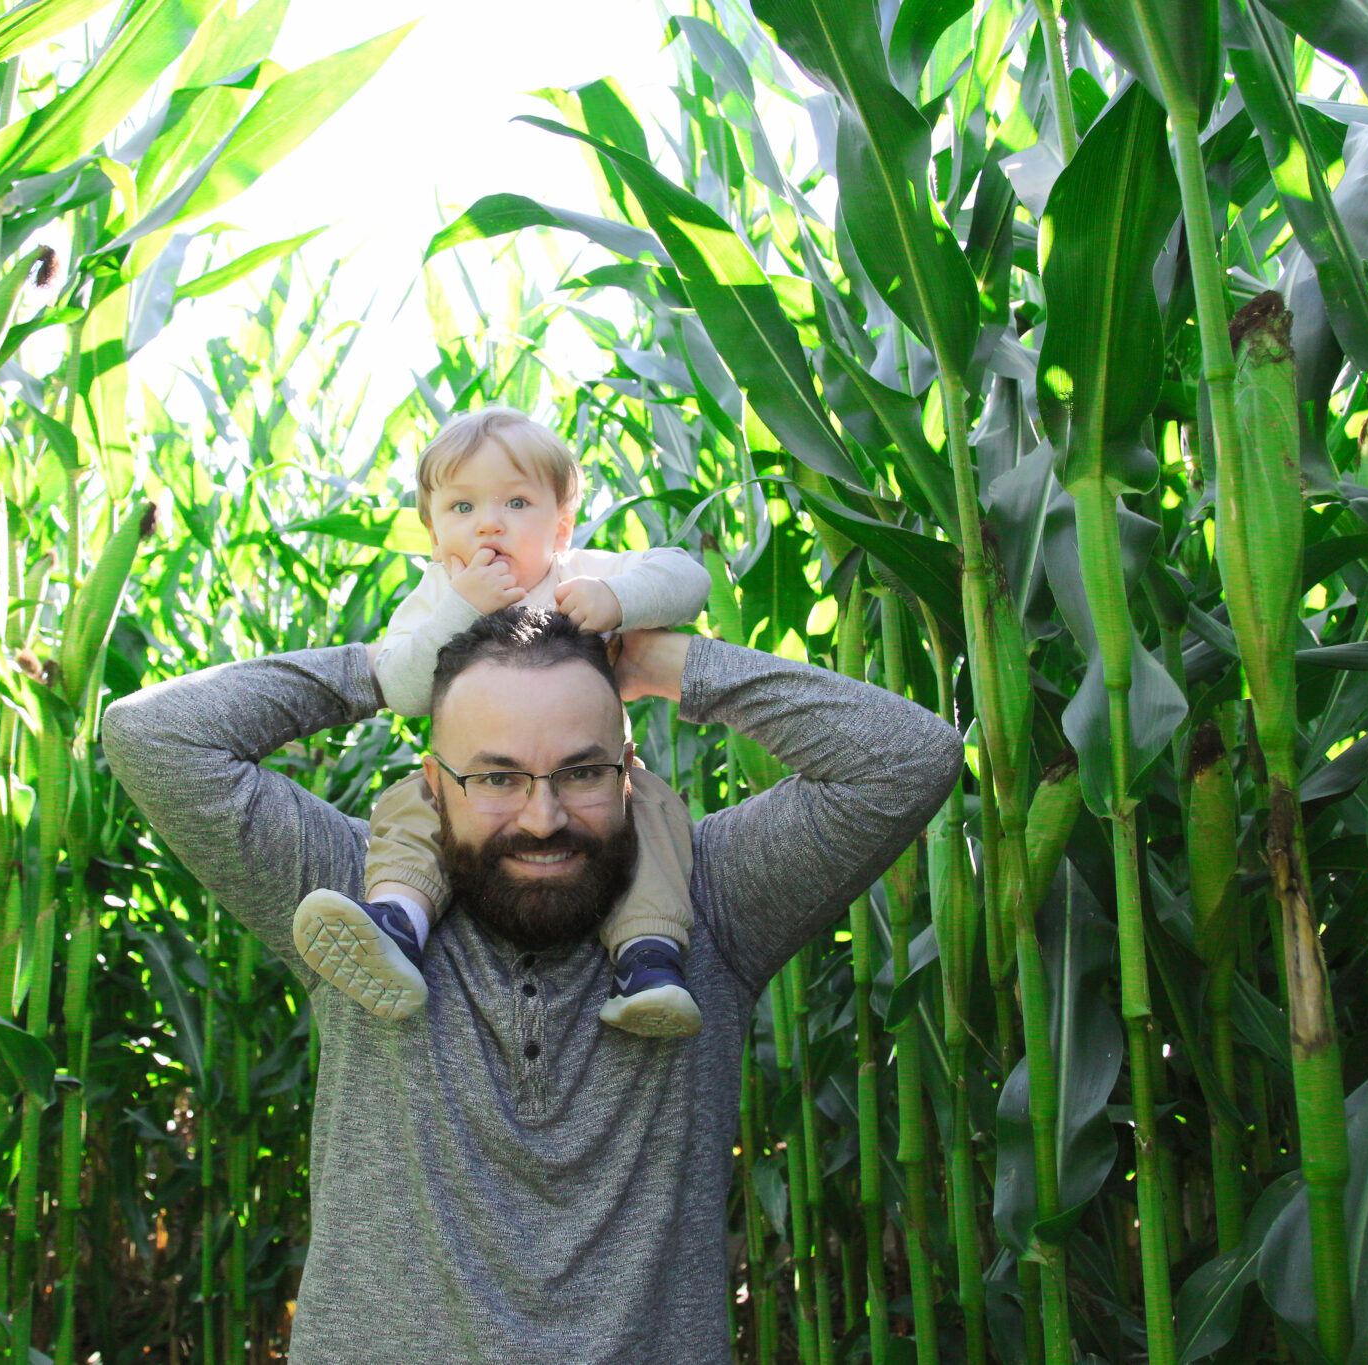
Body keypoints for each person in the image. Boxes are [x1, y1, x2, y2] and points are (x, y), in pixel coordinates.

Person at [101, 606, 962, 1362]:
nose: (542, 816)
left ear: (630, 774)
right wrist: (379, 669)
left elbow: (909, 757)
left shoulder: (715, 901)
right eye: (497, 776)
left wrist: (665, 665)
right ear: (433, 786)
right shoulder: (354, 898)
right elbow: (152, 736)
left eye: (582, 773)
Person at [293, 407, 714, 1036]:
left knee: (653, 816)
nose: (490, 522)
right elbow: (404, 688)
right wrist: (458, 610)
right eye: (462, 508)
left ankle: (649, 959)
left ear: (561, 528)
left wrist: (620, 601)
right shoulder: (438, 596)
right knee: (411, 808)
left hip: (599, 786)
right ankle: (398, 924)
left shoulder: (579, 576)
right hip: (471, 790)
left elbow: (691, 576)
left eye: (517, 502)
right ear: (434, 538)